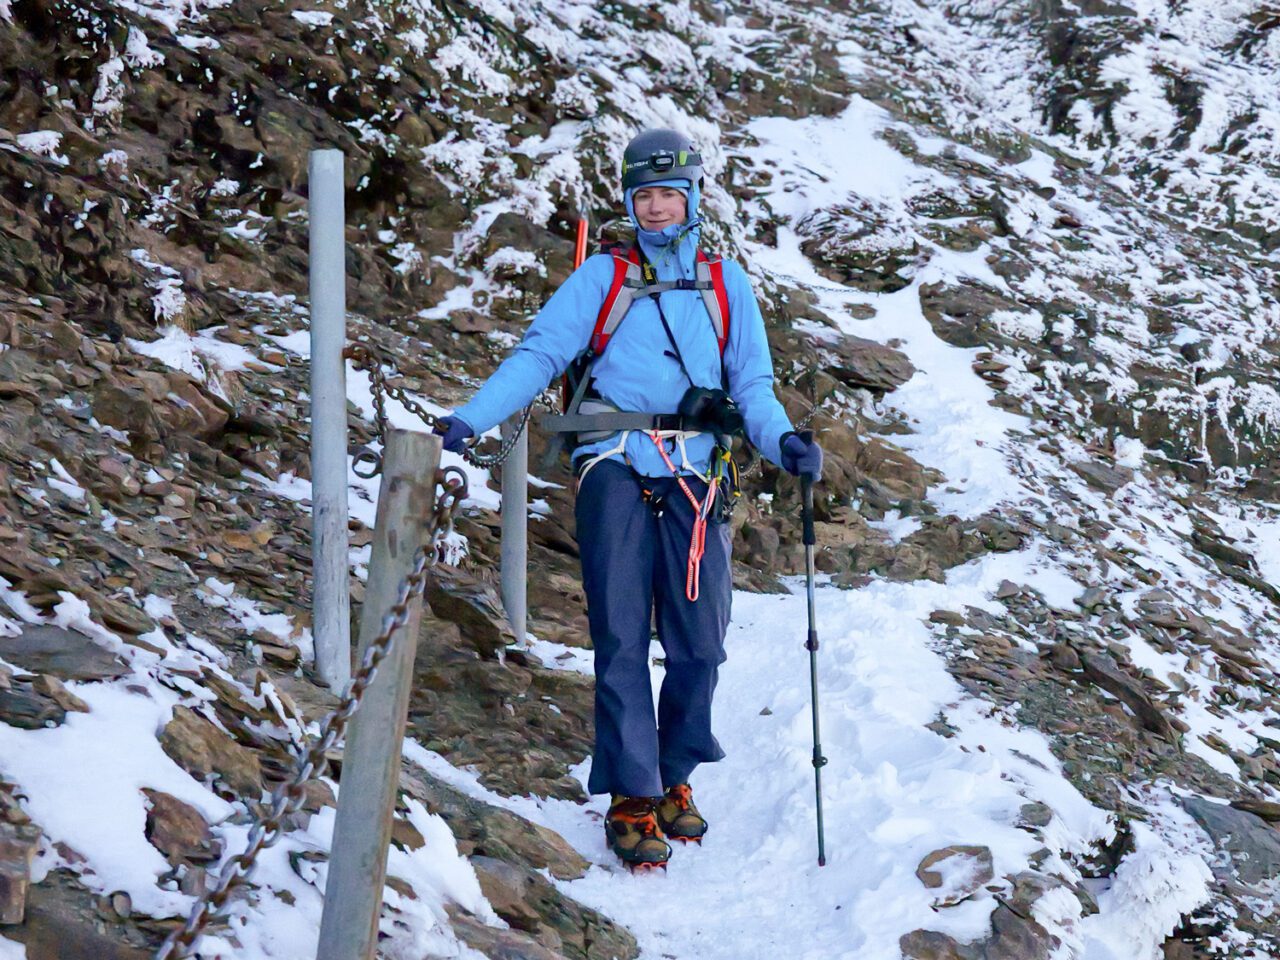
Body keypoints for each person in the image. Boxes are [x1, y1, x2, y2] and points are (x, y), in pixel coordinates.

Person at [434, 128, 823, 870]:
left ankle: (675, 774)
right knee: (618, 635)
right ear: (628, 199)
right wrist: (468, 419)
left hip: (698, 470)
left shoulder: (725, 283)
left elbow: (754, 388)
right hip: (612, 463)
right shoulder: (602, 277)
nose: (654, 206)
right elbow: (540, 354)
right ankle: (631, 795)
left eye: (667, 193)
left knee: (700, 642)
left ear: (694, 197)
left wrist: (784, 444)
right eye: (642, 194)